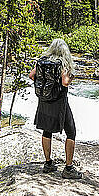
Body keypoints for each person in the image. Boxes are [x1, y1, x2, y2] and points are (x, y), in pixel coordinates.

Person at [29, 38, 82, 179]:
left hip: (45, 100)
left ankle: (48, 164)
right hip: (59, 102)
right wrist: (71, 77)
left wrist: (45, 84)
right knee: (71, 132)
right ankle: (68, 169)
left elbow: (31, 75)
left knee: (47, 130)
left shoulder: (42, 60)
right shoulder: (62, 63)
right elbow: (65, 82)